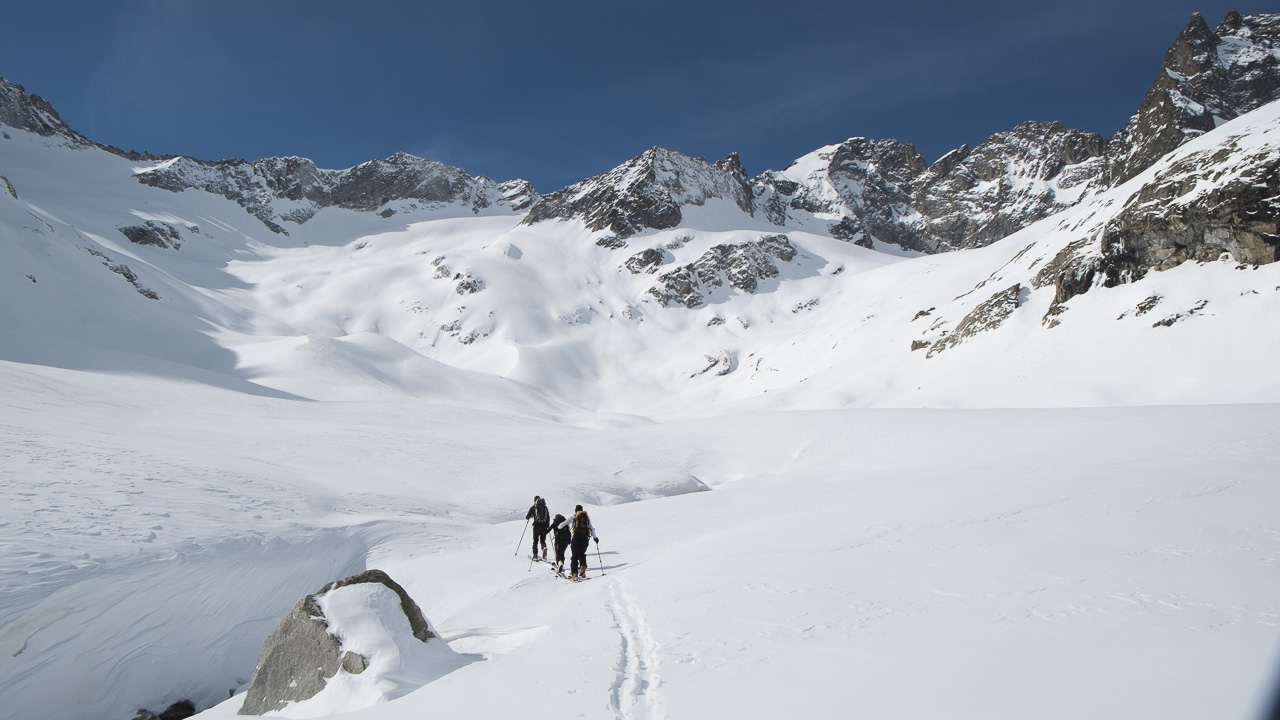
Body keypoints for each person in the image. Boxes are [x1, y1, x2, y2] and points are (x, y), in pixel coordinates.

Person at [568, 504, 598, 580]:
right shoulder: (586, 517)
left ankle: (574, 573)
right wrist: (595, 537)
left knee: (574, 556)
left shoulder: (573, 517)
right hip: (585, 539)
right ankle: (582, 567)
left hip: (576, 539)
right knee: (582, 554)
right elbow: (591, 528)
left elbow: (561, 525)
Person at [525, 496, 551, 560]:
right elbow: (548, 517)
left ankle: (535, 555)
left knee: (535, 541)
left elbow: (527, 517)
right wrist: (547, 525)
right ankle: (544, 547)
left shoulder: (533, 507)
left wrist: (531, 516)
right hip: (544, 527)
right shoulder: (545, 507)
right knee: (542, 540)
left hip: (536, 527)